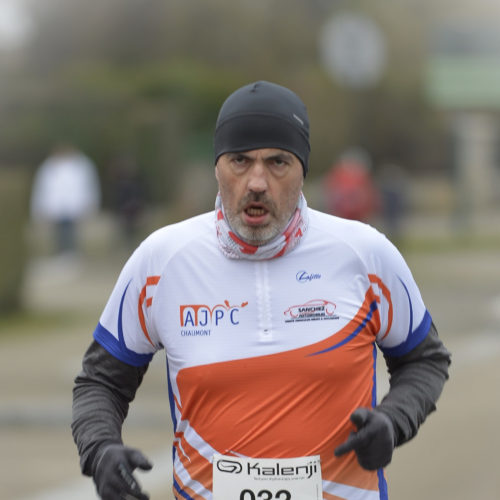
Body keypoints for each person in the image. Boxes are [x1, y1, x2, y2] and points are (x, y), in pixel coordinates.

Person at [72, 81, 451, 500]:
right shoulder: (162, 260)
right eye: (240, 160)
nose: (256, 181)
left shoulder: (365, 253)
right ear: (217, 168)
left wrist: (394, 420)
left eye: (277, 162)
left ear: (303, 171)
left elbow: (425, 359)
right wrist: (100, 449)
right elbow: (100, 382)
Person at [30, 144, 101, 255]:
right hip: (56, 207)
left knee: (72, 230)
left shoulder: (82, 165)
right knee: (58, 232)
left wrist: (91, 204)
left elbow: (89, 186)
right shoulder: (48, 167)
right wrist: (39, 208)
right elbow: (42, 188)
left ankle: (72, 252)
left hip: (74, 205)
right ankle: (61, 252)